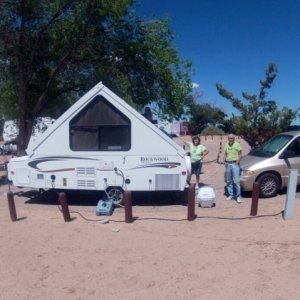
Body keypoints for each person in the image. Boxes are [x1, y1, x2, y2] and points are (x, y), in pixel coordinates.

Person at [223, 133, 242, 203]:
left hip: (235, 164)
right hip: (228, 164)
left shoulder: (237, 145)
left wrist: (237, 162)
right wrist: (224, 161)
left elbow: (240, 154)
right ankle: (231, 194)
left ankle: (238, 196)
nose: (230, 139)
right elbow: (225, 153)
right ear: (228, 139)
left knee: (236, 181)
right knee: (228, 181)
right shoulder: (226, 145)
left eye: (232, 138)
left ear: (234, 139)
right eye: (229, 138)